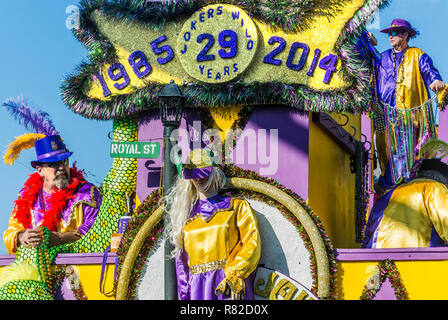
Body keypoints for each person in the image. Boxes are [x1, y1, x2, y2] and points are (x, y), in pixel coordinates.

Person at [165, 148, 261, 300]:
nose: (198, 179)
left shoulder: (237, 207)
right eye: (194, 176)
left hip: (228, 284)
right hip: (198, 289)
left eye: (203, 174)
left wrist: (236, 275)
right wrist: (184, 295)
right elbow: (182, 263)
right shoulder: (184, 217)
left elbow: (251, 243)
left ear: (214, 172)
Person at [374, 18, 445, 194]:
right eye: (389, 33)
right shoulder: (381, 58)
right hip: (385, 113)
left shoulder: (417, 55)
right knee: (385, 150)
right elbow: (372, 80)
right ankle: (388, 183)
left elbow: (429, 71)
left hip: (409, 115)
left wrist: (435, 80)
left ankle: (395, 184)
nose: (390, 36)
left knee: (405, 150)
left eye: (394, 33)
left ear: (405, 35)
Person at [3, 135, 102, 254]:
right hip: (35, 268)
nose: (61, 168)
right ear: (40, 170)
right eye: (53, 164)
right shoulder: (25, 196)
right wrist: (22, 237)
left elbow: (96, 232)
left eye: (64, 161)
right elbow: (10, 233)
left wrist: (58, 238)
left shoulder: (86, 193)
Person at [363, 142, 448, 248]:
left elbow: (366, 239)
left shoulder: (390, 193)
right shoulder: (435, 188)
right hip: (418, 259)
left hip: (378, 261)